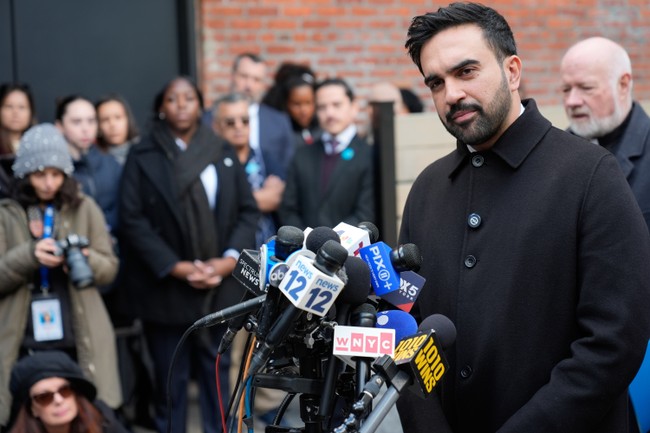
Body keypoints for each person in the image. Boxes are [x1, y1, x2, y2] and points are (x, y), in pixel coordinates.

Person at [397, 3, 650, 433]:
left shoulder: (590, 175)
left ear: (512, 71)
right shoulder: (427, 188)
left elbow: (613, 342)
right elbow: (408, 328)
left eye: (466, 71)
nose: (451, 94)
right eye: (436, 82)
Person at [116, 76, 259, 433]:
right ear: (161, 108)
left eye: (189, 98)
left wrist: (228, 260)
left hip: (218, 287)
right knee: (171, 383)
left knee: (216, 379)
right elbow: (131, 218)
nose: (181, 105)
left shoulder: (220, 149)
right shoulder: (143, 154)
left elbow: (246, 211)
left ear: (200, 106)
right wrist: (175, 266)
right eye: (172, 99)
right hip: (166, 289)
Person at [0, 123, 121, 428]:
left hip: (77, 331)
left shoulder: (84, 207)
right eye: (40, 174)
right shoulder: (7, 213)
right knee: (25, 415)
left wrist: (85, 259)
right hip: (22, 334)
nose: (49, 183)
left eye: (56, 174)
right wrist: (29, 255)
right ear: (24, 173)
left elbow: (110, 268)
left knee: (85, 414)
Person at [560, 36, 650, 228]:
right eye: (566, 89)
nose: (572, 101)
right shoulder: (553, 154)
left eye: (586, 88)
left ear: (623, 85)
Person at [279, 77, 375, 229]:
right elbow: (288, 209)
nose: (329, 113)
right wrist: (307, 239)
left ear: (354, 108)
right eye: (322, 107)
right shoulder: (302, 155)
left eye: (337, 105)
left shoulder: (368, 155)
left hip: (351, 243)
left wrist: (333, 239)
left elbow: (366, 212)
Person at [211, 92, 284, 247]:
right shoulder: (211, 163)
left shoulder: (265, 157)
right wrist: (259, 197)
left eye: (245, 120)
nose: (239, 126)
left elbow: (275, 199)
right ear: (216, 126)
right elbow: (214, 206)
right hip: (227, 251)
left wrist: (233, 202)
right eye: (230, 122)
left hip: (265, 250)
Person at [8, 350, 128, 433]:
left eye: (65, 390)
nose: (58, 400)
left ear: (75, 394)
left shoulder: (103, 420)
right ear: (32, 409)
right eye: (44, 397)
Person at [55, 96, 122, 236]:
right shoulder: (54, 170)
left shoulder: (111, 163)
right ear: (60, 126)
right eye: (76, 122)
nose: (86, 129)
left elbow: (124, 207)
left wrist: (104, 229)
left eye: (91, 121)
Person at [229, 53, 295, 179]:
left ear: (263, 84)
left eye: (256, 79)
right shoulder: (209, 119)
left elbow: (288, 166)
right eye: (244, 76)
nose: (249, 86)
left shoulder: (279, 122)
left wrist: (277, 184)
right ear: (233, 76)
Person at [262, 62, 322, 147]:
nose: (303, 110)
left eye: (308, 103)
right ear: (285, 103)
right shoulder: (277, 136)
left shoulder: (324, 130)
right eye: (296, 104)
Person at [0, 83, 37, 198]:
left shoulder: (39, 145)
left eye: (22, 107)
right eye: (9, 106)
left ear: (31, 112)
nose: (15, 112)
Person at [95, 94, 140, 166]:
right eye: (105, 120)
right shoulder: (92, 159)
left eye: (118, 117)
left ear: (128, 120)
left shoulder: (144, 151)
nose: (112, 125)